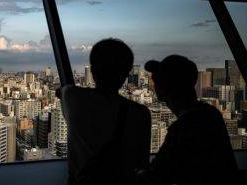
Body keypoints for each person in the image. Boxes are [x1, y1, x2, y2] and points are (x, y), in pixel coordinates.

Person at [60, 38, 151, 185]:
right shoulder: (139, 113)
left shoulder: (73, 99)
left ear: (93, 70)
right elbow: (141, 163)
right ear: (126, 73)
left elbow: (62, 91)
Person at [137, 55, 239, 185]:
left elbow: (157, 173)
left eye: (156, 81)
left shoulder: (185, 126)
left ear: (161, 90)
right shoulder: (210, 113)